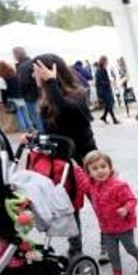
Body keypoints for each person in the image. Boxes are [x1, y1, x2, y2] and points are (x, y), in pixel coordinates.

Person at [31, 53, 97, 257]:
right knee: (70, 206)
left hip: (85, 158)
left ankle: (108, 240)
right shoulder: (45, 99)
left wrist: (50, 83)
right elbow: (51, 132)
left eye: (37, 70)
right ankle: (75, 248)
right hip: (63, 162)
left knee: (98, 200)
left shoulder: (77, 94)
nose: (34, 74)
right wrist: (35, 138)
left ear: (51, 71)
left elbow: (68, 111)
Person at [73, 151, 138, 275]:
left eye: (103, 166)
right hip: (107, 229)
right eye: (95, 169)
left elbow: (132, 200)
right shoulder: (92, 186)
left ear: (110, 167)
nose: (100, 171)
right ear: (89, 172)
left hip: (123, 225)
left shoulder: (119, 186)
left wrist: (126, 209)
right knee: (112, 253)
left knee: (130, 248)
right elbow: (83, 181)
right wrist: (75, 166)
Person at [13, 46, 43, 132]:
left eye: (14, 54)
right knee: (40, 118)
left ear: (17, 54)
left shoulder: (22, 66)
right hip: (39, 94)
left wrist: (23, 93)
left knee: (37, 119)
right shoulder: (32, 62)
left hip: (30, 96)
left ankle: (43, 137)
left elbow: (23, 82)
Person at [0, 60, 31, 132]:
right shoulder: (15, 74)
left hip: (12, 99)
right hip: (21, 98)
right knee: (26, 115)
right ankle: (31, 129)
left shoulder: (2, 78)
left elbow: (3, 92)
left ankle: (24, 131)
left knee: (19, 116)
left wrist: (3, 102)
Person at [95, 56, 119, 125]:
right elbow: (99, 82)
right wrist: (109, 83)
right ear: (103, 61)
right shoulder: (99, 70)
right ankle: (114, 119)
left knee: (110, 103)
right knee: (109, 104)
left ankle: (104, 116)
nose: (107, 62)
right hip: (104, 90)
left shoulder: (103, 69)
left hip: (107, 89)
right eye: (106, 61)